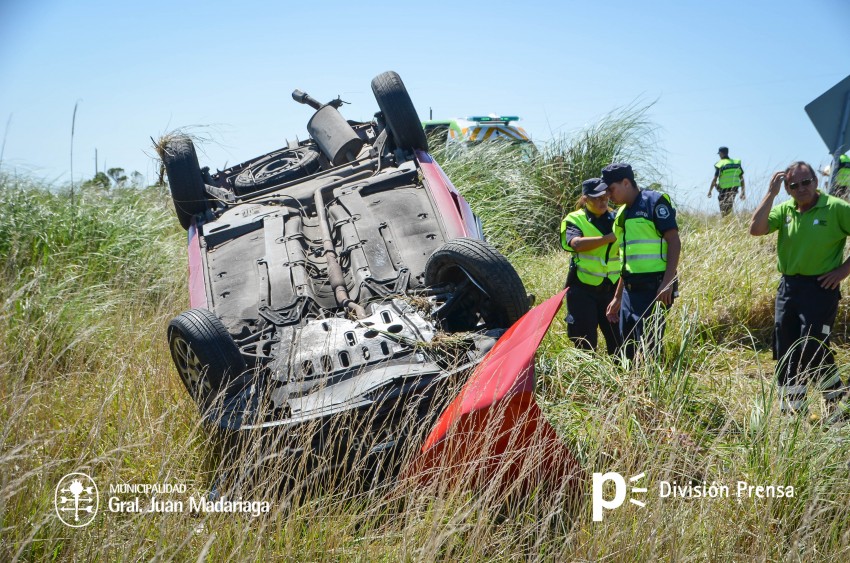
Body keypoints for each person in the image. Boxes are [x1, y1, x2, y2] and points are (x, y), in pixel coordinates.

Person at [749, 161, 850, 422]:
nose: (801, 188)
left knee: (812, 347)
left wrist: (842, 271)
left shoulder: (837, 208)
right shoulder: (784, 210)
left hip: (821, 288)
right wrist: (770, 194)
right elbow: (756, 229)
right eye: (794, 185)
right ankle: (793, 414)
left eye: (806, 182)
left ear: (816, 181)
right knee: (786, 349)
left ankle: (837, 408)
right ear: (787, 188)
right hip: (789, 288)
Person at [602, 163, 681, 361]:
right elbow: (626, 261)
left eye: (611, 189)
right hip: (629, 292)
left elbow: (674, 241)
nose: (609, 196)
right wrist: (618, 297)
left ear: (626, 183)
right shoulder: (621, 214)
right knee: (626, 349)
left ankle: (650, 390)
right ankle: (632, 389)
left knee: (649, 351)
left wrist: (667, 283)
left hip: (654, 290)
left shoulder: (654, 202)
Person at [560, 178, 623, 354]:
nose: (603, 201)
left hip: (611, 290)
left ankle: (620, 379)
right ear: (585, 199)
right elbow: (576, 244)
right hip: (583, 290)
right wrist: (606, 239)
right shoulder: (574, 219)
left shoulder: (616, 218)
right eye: (597, 198)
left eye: (605, 197)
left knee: (619, 342)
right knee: (584, 343)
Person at [707, 146, 746, 216]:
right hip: (734, 188)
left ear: (721, 154)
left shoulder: (720, 164)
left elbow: (714, 179)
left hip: (723, 188)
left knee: (723, 207)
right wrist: (743, 192)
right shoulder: (736, 163)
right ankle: (728, 218)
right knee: (729, 205)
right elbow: (742, 178)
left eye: (719, 154)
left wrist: (710, 191)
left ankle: (726, 219)